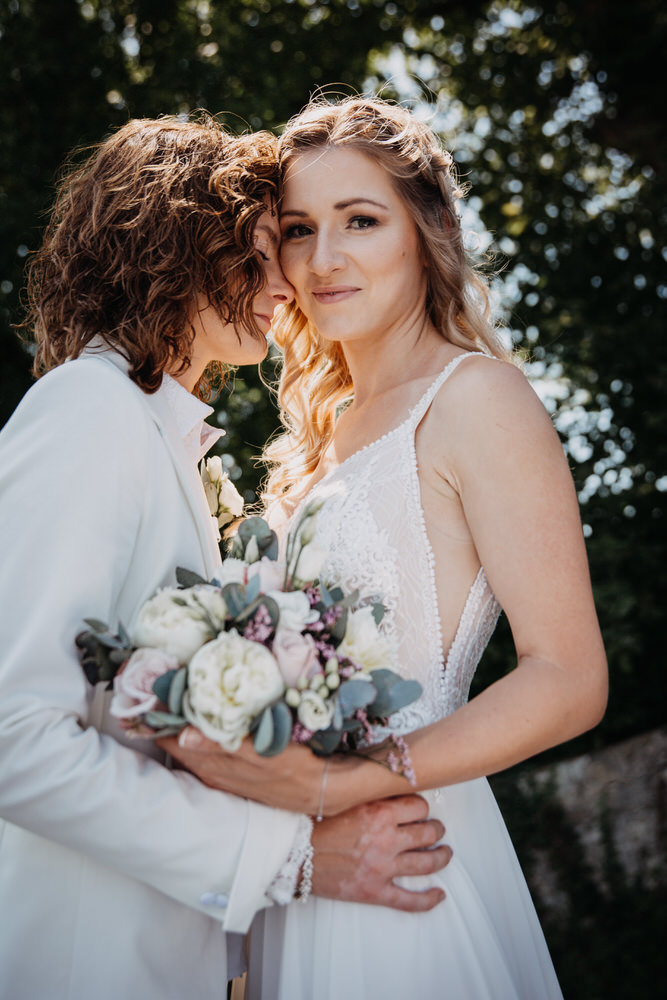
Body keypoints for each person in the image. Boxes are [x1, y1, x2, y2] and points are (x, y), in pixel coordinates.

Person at [0, 114, 453, 1000]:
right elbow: (13, 738)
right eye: (256, 251)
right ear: (172, 246)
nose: (285, 282)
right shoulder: (84, 412)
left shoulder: (157, 436)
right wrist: (290, 859)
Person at [165, 97, 608, 999]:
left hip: (407, 850)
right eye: (297, 230)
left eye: (359, 220)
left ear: (425, 230)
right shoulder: (308, 445)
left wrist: (355, 780)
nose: (323, 259)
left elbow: (568, 677)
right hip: (304, 860)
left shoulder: (476, 399)